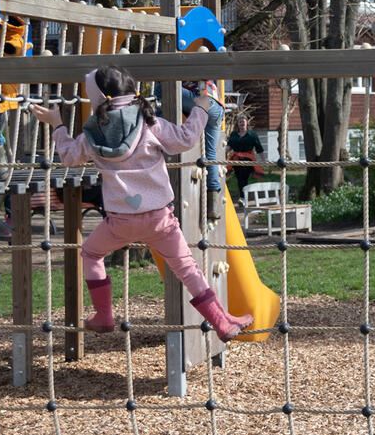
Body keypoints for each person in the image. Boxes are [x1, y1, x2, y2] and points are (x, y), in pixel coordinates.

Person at [31, 66, 252, 341]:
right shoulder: (149, 123)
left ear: (98, 97)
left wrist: (57, 124)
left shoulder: (92, 133)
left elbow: (68, 156)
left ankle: (104, 314)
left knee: (91, 254)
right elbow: (185, 138)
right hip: (159, 219)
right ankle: (221, 322)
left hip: (120, 222)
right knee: (188, 269)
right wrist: (201, 108)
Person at [154, 80, 225, 222]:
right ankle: (213, 203)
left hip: (203, 100)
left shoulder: (185, 72)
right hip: (216, 107)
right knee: (211, 154)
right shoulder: (206, 75)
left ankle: (159, 119)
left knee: (165, 86)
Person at [227, 115, 264, 199]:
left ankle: (243, 197)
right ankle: (243, 197)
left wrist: (263, 160)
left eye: (243, 121)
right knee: (240, 178)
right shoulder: (234, 134)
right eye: (240, 122)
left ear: (247, 123)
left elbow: (259, 148)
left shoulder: (252, 135)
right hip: (236, 160)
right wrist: (220, 153)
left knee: (243, 177)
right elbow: (229, 147)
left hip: (248, 160)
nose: (242, 123)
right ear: (237, 124)